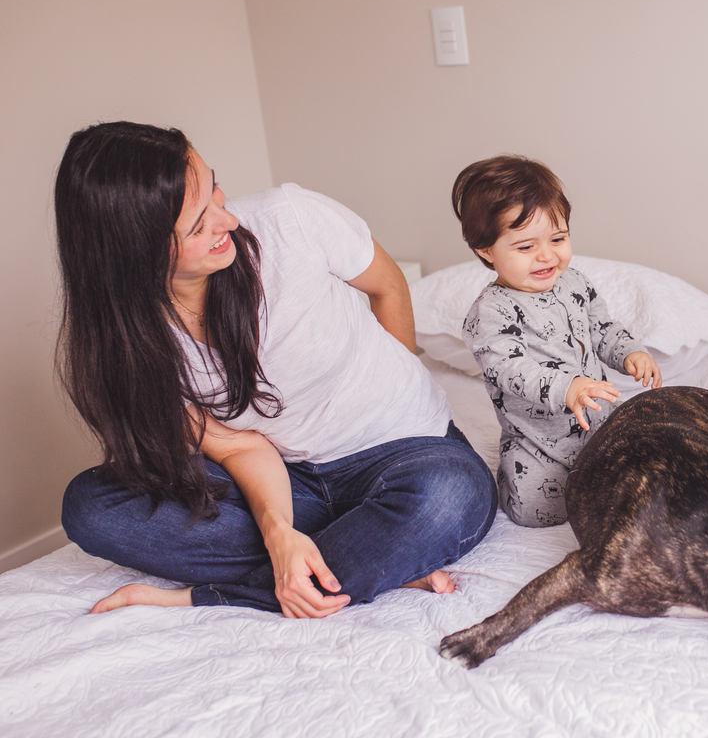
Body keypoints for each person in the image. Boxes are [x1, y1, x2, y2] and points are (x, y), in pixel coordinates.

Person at [56, 121, 497, 618]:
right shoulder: (131, 346)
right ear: (134, 252)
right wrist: (279, 531)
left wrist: (400, 384)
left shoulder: (289, 220)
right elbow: (237, 444)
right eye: (198, 225)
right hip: (285, 480)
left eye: (215, 191)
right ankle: (367, 554)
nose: (226, 220)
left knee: (450, 496)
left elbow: (388, 286)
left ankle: (221, 593)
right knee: (93, 508)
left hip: (404, 451)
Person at [451, 155, 662, 527]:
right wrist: (567, 386)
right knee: (538, 513)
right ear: (486, 251)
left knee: (636, 472)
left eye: (558, 238)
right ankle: (504, 479)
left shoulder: (575, 282)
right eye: (525, 247)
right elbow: (509, 368)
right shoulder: (491, 312)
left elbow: (602, 329)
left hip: (599, 422)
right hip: (539, 440)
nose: (547, 255)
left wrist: (630, 352)